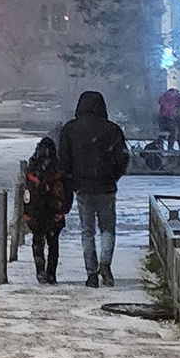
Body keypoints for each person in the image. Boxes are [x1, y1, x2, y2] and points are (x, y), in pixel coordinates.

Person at [55, 90, 130, 286]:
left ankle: (91, 273)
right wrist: (113, 176)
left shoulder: (70, 129)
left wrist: (72, 181)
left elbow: (64, 161)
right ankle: (105, 264)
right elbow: (123, 158)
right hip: (106, 186)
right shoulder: (112, 130)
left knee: (87, 231)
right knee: (107, 228)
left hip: (83, 187)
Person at [20, 134, 71, 283]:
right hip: (55, 211)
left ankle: (40, 271)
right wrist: (64, 210)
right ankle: (51, 273)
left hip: (36, 212)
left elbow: (27, 193)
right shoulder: (59, 169)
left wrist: (27, 212)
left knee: (38, 240)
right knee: (53, 243)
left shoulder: (32, 169)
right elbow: (67, 191)